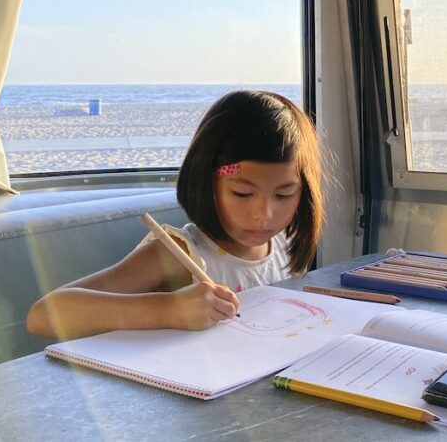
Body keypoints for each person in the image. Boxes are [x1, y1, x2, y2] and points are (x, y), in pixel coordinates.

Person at [26, 90, 324, 339]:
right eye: (242, 194)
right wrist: (169, 309)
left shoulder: (285, 244)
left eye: (284, 195)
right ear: (206, 183)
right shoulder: (180, 254)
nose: (264, 213)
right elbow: (44, 315)